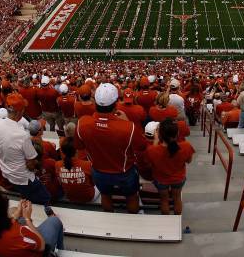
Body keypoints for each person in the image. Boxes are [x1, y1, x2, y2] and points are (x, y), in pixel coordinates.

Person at [75, 83, 147, 213]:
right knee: (131, 197)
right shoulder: (128, 127)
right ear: (115, 104)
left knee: (105, 195)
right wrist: (126, 122)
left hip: (98, 170)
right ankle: (134, 220)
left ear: (95, 101)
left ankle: (109, 218)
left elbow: (79, 146)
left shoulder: (83, 123)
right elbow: (142, 146)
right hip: (124, 172)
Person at [0, 180, 64, 256]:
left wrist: (18, 213)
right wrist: (27, 218)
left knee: (14, 212)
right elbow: (42, 246)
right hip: (35, 249)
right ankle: (58, 252)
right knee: (54, 220)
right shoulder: (20, 233)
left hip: (5, 249)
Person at [0, 93, 50, 205]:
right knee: (45, 197)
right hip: (23, 178)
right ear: (19, 112)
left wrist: (3, 154)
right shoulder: (22, 135)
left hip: (7, 173)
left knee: (25, 195)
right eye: (23, 109)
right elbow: (31, 164)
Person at [145, 119, 195, 215]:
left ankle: (166, 220)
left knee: (164, 200)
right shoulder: (186, 146)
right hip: (178, 178)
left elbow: (149, 162)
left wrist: (155, 141)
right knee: (177, 198)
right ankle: (176, 217)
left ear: (159, 134)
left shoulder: (152, 150)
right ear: (177, 134)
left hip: (161, 180)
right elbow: (189, 161)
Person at [55, 137, 97, 203]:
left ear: (62, 151)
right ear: (77, 150)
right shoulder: (88, 164)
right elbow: (93, 183)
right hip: (88, 197)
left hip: (69, 197)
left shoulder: (57, 165)